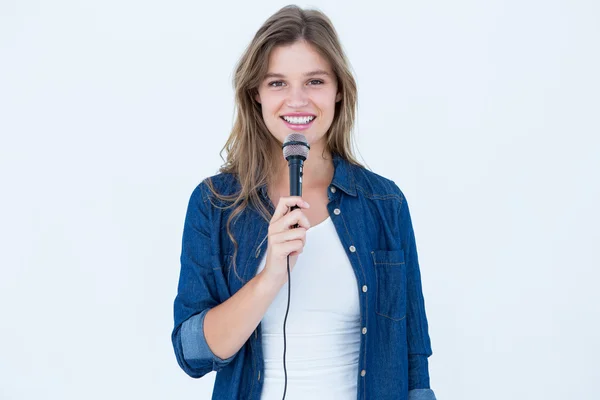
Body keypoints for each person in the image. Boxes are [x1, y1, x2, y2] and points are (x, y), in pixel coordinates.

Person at [171, 4, 436, 400]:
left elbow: (414, 355)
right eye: (277, 83)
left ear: (339, 90)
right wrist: (271, 276)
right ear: (255, 94)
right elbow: (192, 354)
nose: (297, 101)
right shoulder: (215, 204)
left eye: (314, 81)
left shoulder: (385, 203)